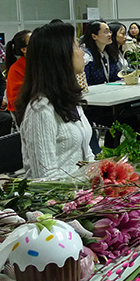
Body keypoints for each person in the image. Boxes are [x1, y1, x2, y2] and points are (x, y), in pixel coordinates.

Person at [16, 22, 95, 180]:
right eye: (77, 47)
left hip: (83, 190)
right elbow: (46, 179)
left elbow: (88, 155)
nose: (83, 53)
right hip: (60, 199)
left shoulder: (69, 97)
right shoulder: (40, 109)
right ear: (60, 55)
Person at [82, 21, 121, 85]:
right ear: (94, 36)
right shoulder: (87, 57)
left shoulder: (109, 54)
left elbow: (116, 78)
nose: (109, 35)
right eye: (106, 32)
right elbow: (85, 83)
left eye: (109, 31)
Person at [5, 30, 31, 112]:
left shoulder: (40, 63)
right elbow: (16, 101)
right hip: (25, 112)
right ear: (24, 49)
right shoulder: (16, 69)